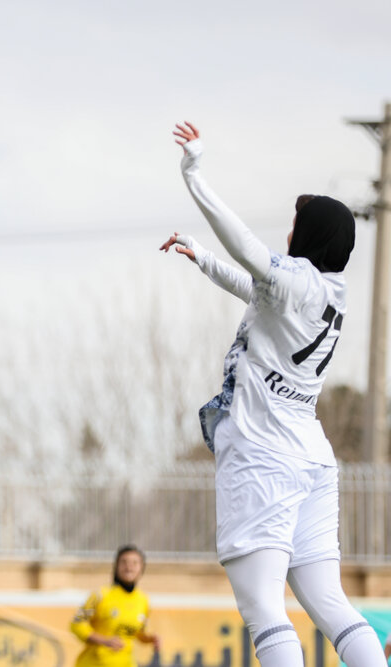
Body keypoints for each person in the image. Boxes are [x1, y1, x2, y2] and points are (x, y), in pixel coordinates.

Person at [161, 121, 384, 666]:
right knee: (331, 604)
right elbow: (257, 285)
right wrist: (202, 259)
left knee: (264, 607)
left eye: (296, 224)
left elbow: (248, 251)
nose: (288, 233)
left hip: (264, 455)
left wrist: (194, 173)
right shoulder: (332, 291)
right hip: (311, 456)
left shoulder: (295, 280)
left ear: (308, 236)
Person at [70, 545, 160, 667]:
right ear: (116, 567)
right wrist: (103, 640)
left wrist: (150, 639)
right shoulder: (100, 595)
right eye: (124, 562)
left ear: (142, 568)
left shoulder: (143, 600)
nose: (129, 567)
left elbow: (138, 632)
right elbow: (76, 624)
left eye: (134, 563)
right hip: (95, 663)